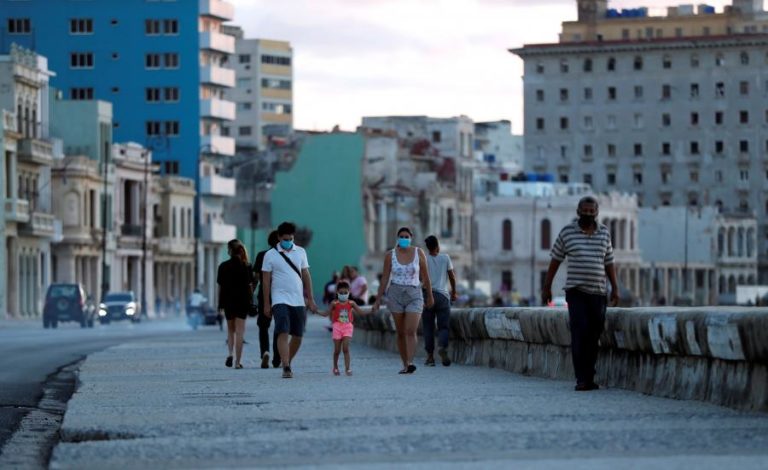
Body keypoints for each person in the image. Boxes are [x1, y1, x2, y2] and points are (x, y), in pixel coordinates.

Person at [541, 196, 619, 392]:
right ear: (578, 212)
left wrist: (615, 288)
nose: (588, 214)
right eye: (585, 210)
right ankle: (581, 378)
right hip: (576, 292)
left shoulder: (604, 233)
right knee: (580, 332)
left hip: (598, 292)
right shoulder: (568, 232)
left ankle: (589, 376)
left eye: (592, 211)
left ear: (597, 213)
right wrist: (547, 286)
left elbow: (609, 263)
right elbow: (555, 260)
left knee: (594, 336)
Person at [372, 227, 434, 374]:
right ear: (397, 238)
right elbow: (385, 278)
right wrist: (377, 300)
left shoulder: (419, 253)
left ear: (411, 238)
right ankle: (405, 363)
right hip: (395, 293)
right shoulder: (390, 255)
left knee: (410, 330)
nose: (404, 239)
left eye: (407, 236)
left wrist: (430, 295)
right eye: (401, 236)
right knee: (400, 332)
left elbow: (425, 276)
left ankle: (411, 361)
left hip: (414, 293)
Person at [262, 221, 319, 379]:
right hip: (279, 299)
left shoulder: (300, 252)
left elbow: (306, 275)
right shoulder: (270, 255)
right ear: (279, 237)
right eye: (285, 239)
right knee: (282, 330)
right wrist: (267, 303)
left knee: (298, 335)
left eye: (291, 239)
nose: (288, 242)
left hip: (298, 300)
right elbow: (266, 281)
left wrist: (311, 299)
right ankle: (286, 366)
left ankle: (287, 361)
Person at [317, 281, 366, 376]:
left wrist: (372, 311)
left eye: (345, 293)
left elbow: (361, 312)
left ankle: (348, 368)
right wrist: (316, 311)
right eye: (341, 293)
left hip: (348, 327)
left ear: (349, 292)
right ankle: (335, 367)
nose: (343, 295)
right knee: (337, 350)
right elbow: (326, 313)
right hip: (337, 327)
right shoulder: (334, 303)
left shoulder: (351, 303)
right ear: (337, 293)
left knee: (346, 348)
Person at [217, 240, 253, 369]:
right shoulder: (247, 266)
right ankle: (238, 362)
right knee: (240, 332)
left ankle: (230, 354)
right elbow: (251, 286)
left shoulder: (223, 266)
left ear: (229, 250)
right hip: (242, 302)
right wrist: (251, 301)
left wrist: (219, 304)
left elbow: (220, 288)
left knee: (230, 330)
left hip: (228, 301)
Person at [422, 235, 457, 367]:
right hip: (443, 296)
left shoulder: (424, 259)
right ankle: (442, 346)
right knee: (443, 326)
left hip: (428, 295)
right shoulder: (445, 257)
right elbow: (452, 277)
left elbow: (421, 278)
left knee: (428, 327)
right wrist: (454, 292)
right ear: (438, 246)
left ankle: (430, 357)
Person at [252, 230, 281, 369]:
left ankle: (265, 351)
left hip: (264, 295)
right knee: (280, 326)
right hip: (281, 295)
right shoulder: (284, 255)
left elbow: (257, 278)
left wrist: (251, 292)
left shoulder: (262, 255)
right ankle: (277, 357)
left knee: (263, 326)